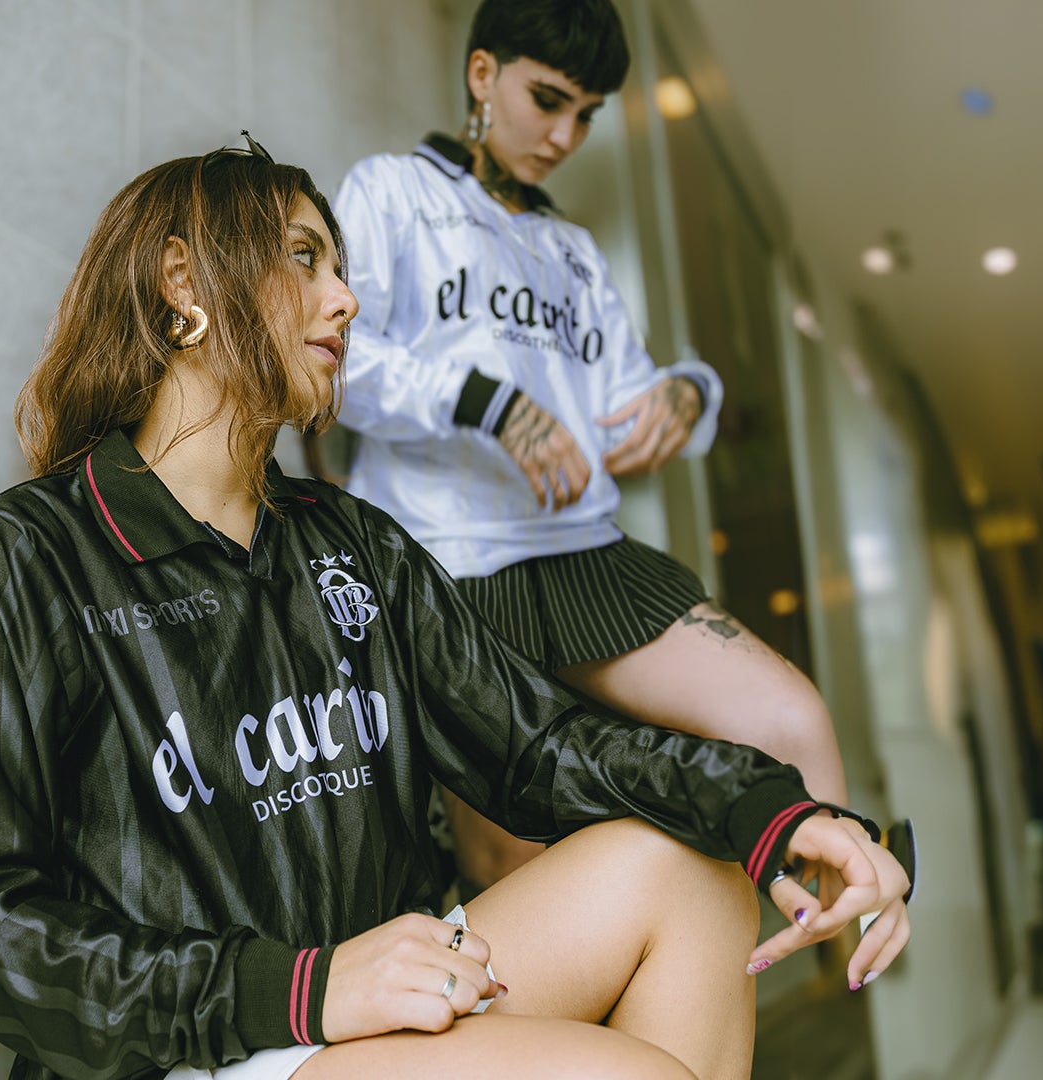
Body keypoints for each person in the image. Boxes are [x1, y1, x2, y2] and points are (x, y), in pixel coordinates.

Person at [0, 141, 911, 1080]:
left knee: (695, 876)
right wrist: (301, 989)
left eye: (341, 269)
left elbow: (542, 748)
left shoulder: (354, 543)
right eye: (304, 258)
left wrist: (777, 814)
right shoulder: (35, 552)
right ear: (183, 283)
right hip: (193, 1051)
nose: (345, 300)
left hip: (369, 1006)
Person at [328, 0, 849, 888]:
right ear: (482, 74)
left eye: (587, 115)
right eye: (548, 100)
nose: (566, 137)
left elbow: (625, 398)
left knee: (793, 724)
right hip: (447, 566)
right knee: (523, 867)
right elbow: (337, 360)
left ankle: (850, 936)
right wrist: (488, 403)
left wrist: (689, 392)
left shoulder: (571, 248)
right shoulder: (392, 191)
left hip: (585, 557)